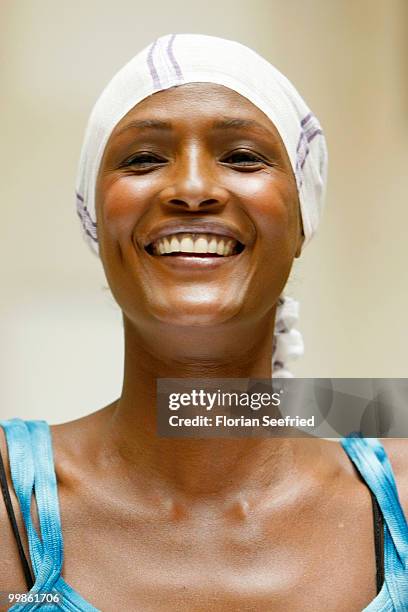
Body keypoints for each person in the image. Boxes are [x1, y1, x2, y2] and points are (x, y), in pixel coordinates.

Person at [0, 34, 407, 612]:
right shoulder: (9, 507)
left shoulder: (396, 501)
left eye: (243, 156)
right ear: (98, 218)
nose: (191, 189)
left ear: (300, 221)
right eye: (143, 159)